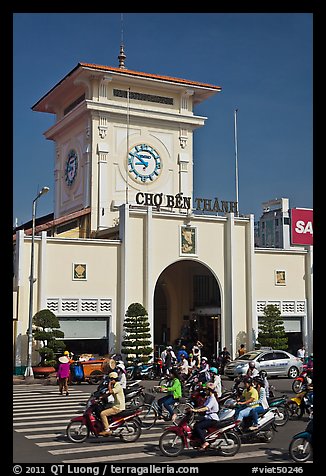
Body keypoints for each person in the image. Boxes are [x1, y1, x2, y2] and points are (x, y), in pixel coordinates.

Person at [192, 382, 220, 450]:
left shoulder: (212, 399)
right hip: (208, 417)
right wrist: (193, 409)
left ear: (209, 390)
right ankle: (200, 441)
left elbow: (206, 408)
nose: (205, 391)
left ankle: (205, 442)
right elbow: (203, 406)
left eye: (206, 390)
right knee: (195, 425)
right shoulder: (209, 398)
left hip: (212, 419)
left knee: (198, 427)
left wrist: (196, 411)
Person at [98, 371, 125, 436]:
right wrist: (101, 397)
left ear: (113, 379)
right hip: (115, 405)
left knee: (102, 414)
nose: (109, 380)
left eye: (110, 379)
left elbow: (110, 391)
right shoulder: (115, 385)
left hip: (118, 407)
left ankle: (107, 430)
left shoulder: (118, 386)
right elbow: (109, 393)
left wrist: (109, 384)